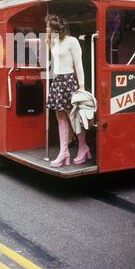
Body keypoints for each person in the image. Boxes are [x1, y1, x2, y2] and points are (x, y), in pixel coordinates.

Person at [46, 14, 91, 167]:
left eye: (48, 27)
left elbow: (79, 65)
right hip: (58, 81)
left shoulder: (72, 41)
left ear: (56, 28)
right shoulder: (54, 42)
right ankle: (63, 152)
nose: (46, 29)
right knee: (60, 117)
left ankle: (83, 147)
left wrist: (82, 87)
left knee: (73, 117)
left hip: (69, 81)